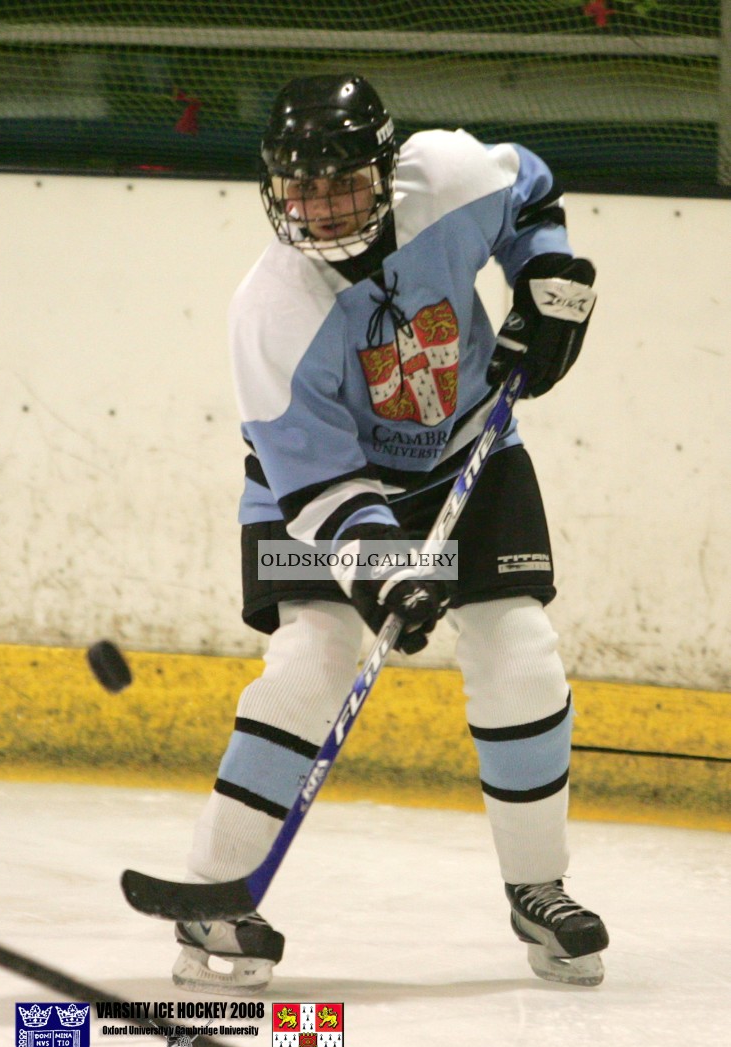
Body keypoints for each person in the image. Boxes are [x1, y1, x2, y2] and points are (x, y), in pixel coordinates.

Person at [171, 73, 608, 995]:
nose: (324, 209)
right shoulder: (271, 312)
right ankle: (211, 898)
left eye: (344, 184)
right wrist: (386, 576)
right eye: (304, 189)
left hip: (469, 462)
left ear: (387, 170)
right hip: (316, 500)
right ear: (275, 190)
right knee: (314, 659)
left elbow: (531, 191)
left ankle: (541, 891)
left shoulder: (445, 175)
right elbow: (321, 486)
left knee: (520, 647)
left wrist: (546, 277)